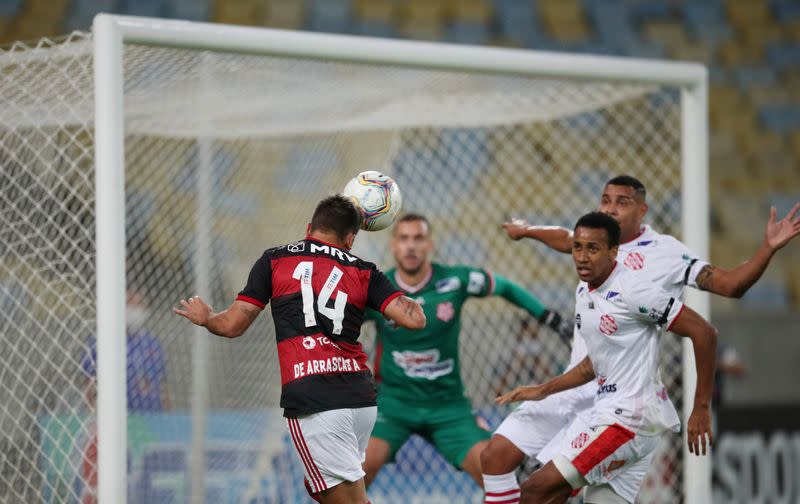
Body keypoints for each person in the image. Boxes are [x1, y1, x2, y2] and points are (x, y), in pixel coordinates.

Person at [481, 175, 800, 502]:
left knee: (540, 489)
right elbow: (566, 238)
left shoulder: (659, 260)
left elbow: (725, 294)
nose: (611, 208)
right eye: (606, 200)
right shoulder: (588, 274)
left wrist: (767, 249)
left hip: (627, 406)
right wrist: (528, 230)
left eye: (623, 202)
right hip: (583, 384)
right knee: (498, 458)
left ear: (642, 210)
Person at [174, 195, 425, 504]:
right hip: (361, 402)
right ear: (350, 239)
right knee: (323, 490)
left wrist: (207, 319)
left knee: (346, 499)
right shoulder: (365, 270)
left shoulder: (275, 260)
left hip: (316, 401)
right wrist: (401, 303)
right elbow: (415, 319)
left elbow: (232, 326)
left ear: (310, 228)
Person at [496, 212, 717, 503]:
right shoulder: (586, 292)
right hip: (619, 418)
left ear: (613, 252)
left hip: (627, 422)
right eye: (577, 247)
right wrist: (543, 390)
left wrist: (700, 407)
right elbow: (595, 363)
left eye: (593, 248)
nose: (583, 257)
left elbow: (704, 333)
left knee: (535, 492)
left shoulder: (634, 290)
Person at [362, 213, 573, 489]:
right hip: (393, 406)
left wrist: (549, 318)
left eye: (418, 238)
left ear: (430, 245)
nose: (411, 246)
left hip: (448, 406)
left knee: (498, 476)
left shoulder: (455, 281)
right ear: (393, 245)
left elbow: (505, 286)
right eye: (404, 238)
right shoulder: (378, 291)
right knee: (356, 473)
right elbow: (343, 323)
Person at [80, 290, 170, 504]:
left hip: (149, 422)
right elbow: (88, 386)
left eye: (140, 305)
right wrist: (94, 416)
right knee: (112, 476)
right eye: (131, 304)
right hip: (112, 422)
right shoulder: (100, 342)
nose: (136, 311)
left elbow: (163, 387)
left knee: (143, 480)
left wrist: (167, 417)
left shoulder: (152, 345)